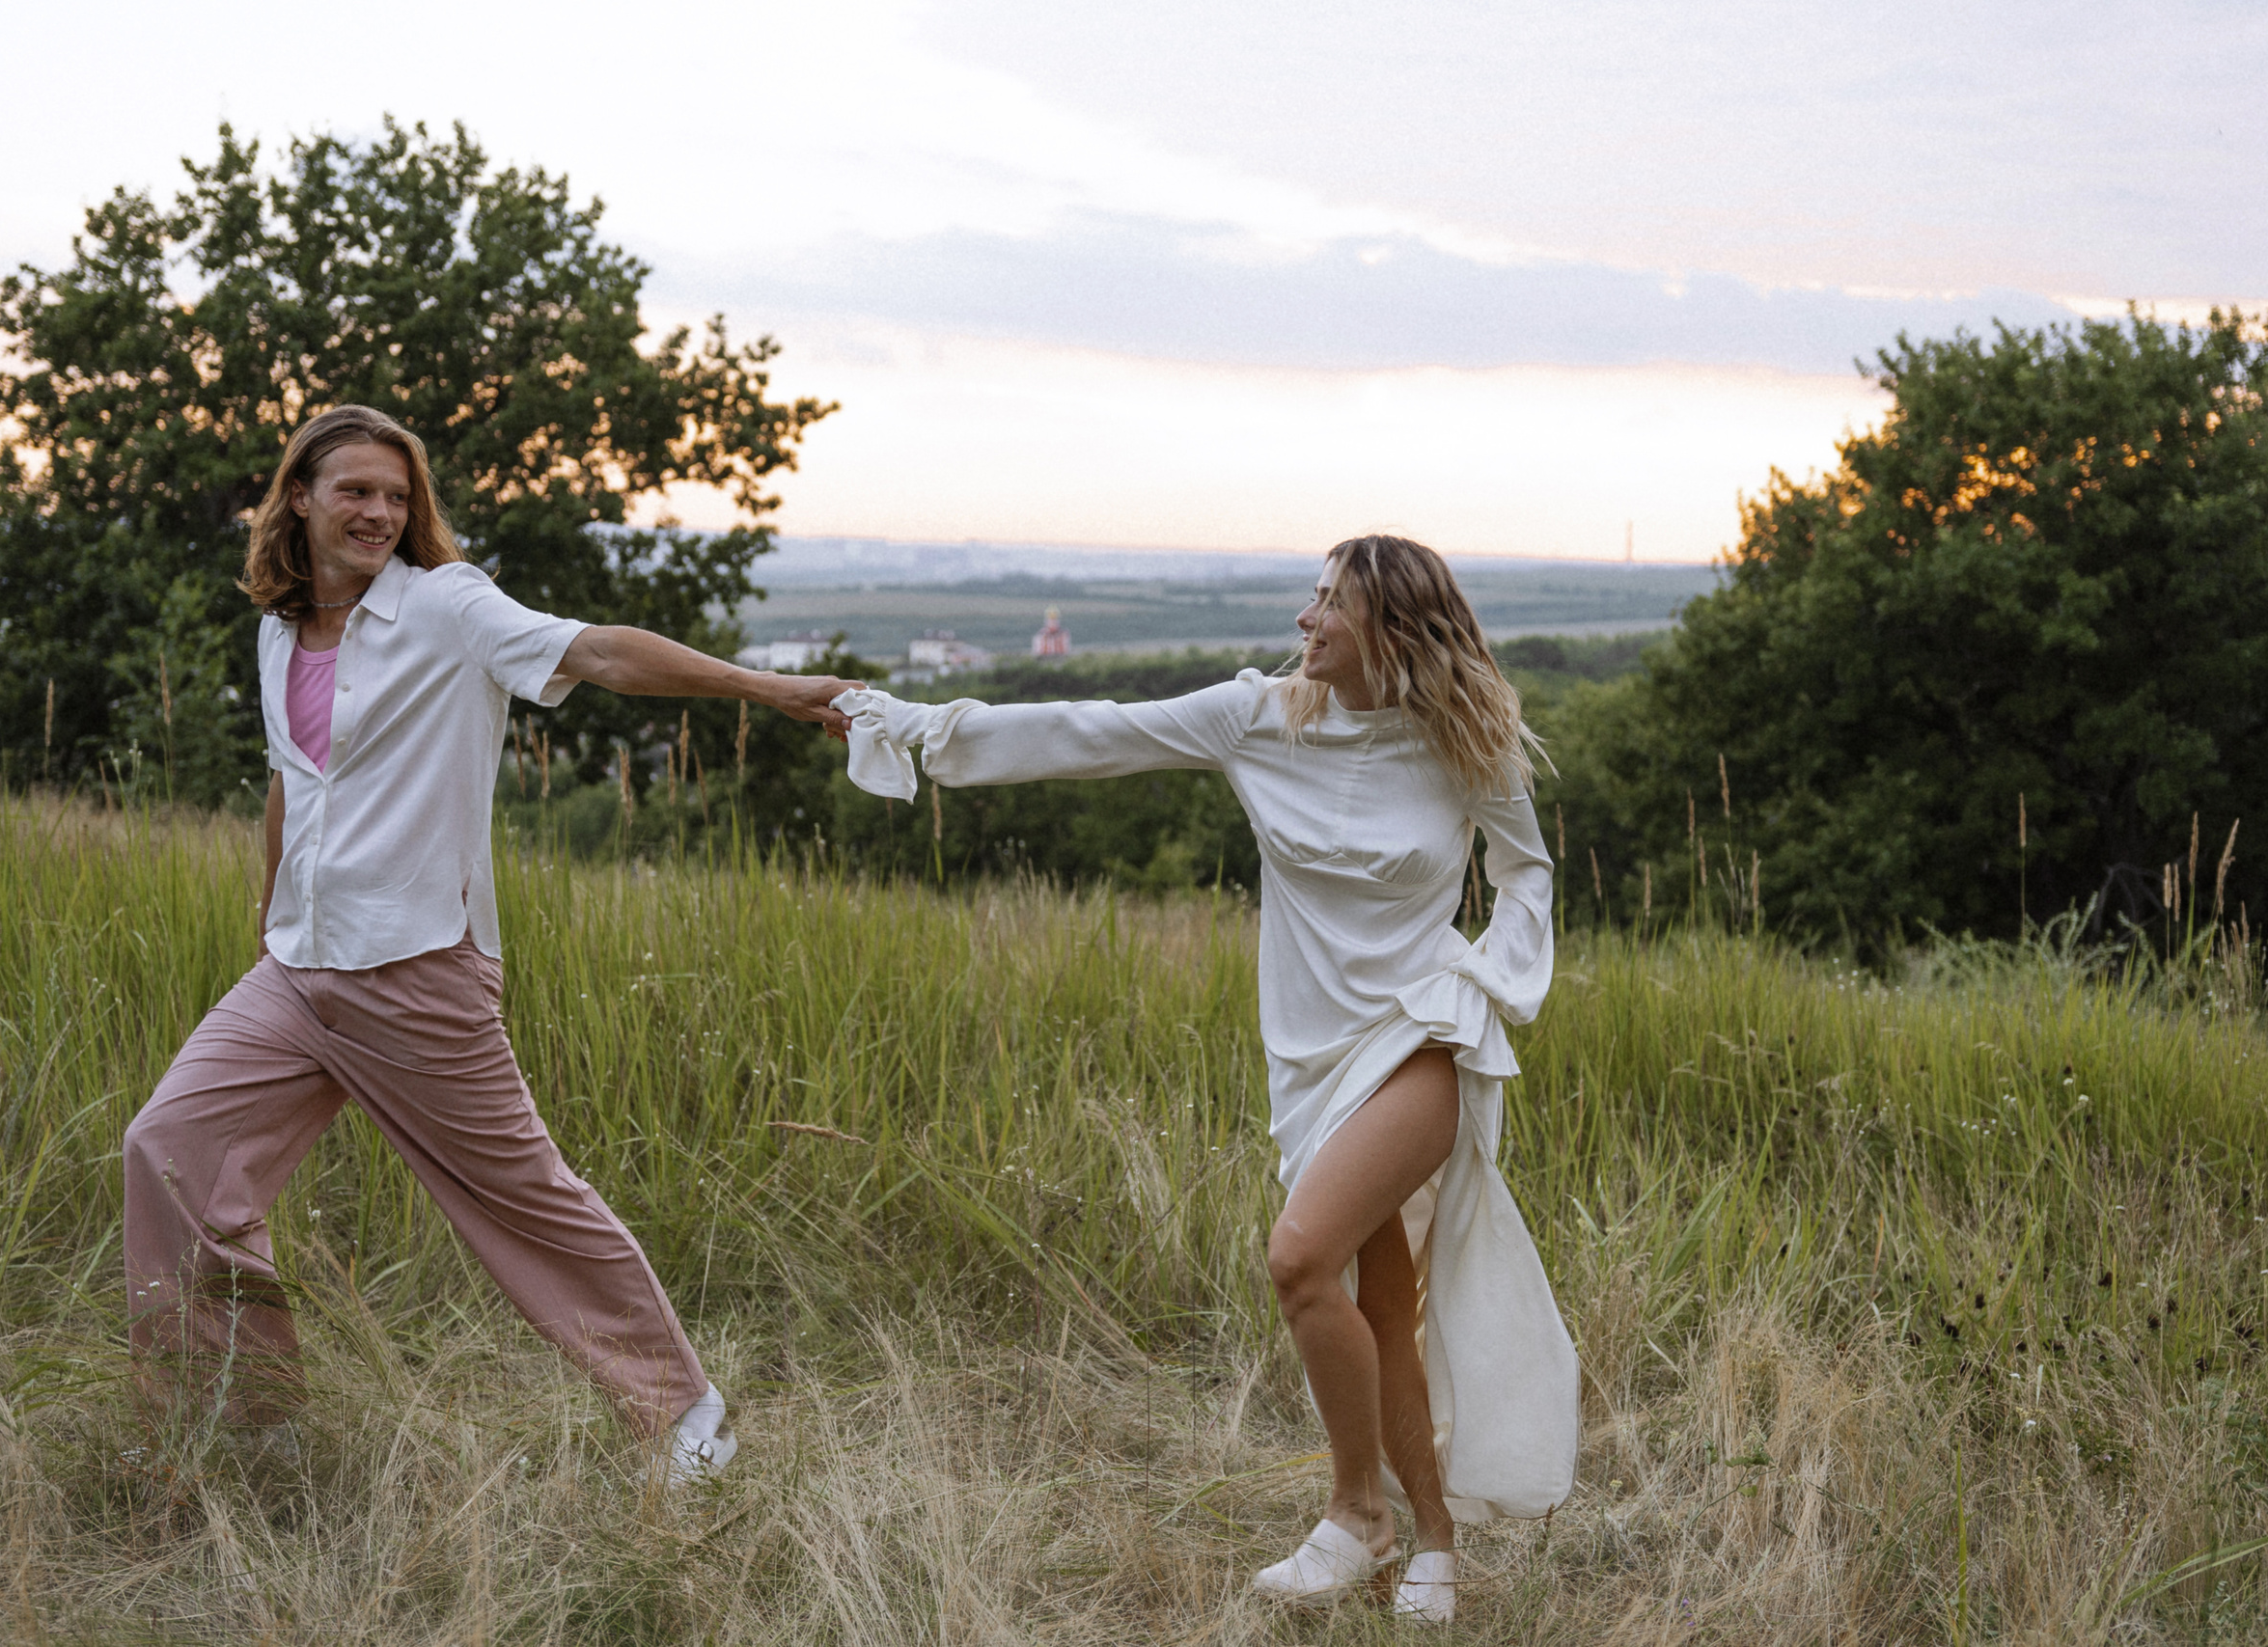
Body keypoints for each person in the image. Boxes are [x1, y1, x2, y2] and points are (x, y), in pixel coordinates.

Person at [836, 535, 1577, 1625]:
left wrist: (1487, 981)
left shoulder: (1465, 740)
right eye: (1311, 598)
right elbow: (1090, 729)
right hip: (1312, 1058)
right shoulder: (1257, 718)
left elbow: (1526, 873)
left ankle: (1355, 1514)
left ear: (1387, 625)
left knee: (1299, 1258)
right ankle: (1432, 1538)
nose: (1305, 620)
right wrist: (909, 723)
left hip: (1423, 1034)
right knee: (1382, 1304)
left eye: (1329, 604)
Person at [122, 404, 857, 1482]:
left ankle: (687, 1424)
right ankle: (240, 1426)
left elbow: (597, 652)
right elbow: (290, 784)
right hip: (297, 970)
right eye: (355, 490)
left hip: (417, 967)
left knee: (524, 1202)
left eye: (397, 495)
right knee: (169, 1149)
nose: (379, 512)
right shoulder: (280, 631)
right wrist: (274, 918)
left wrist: (766, 687)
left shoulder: (448, 604)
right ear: (299, 498)